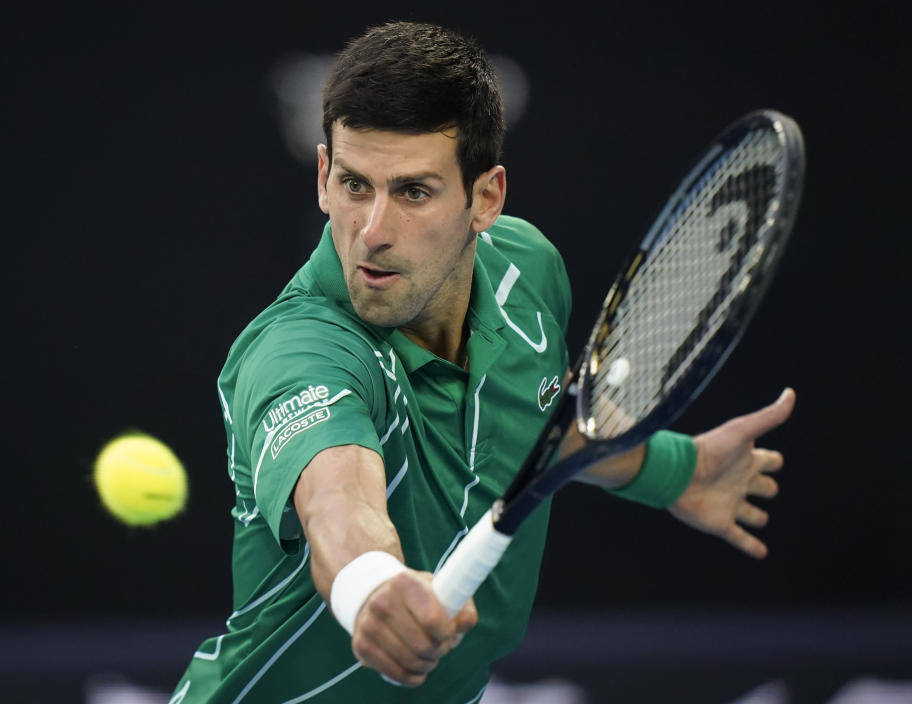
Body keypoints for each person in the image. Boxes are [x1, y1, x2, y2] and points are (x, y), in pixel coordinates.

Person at [170, 21, 795, 704]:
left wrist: (677, 470)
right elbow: (337, 503)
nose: (373, 232)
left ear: (486, 199)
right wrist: (370, 587)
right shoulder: (301, 351)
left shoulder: (527, 272)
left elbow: (544, 410)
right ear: (322, 177)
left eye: (413, 192)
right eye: (355, 185)